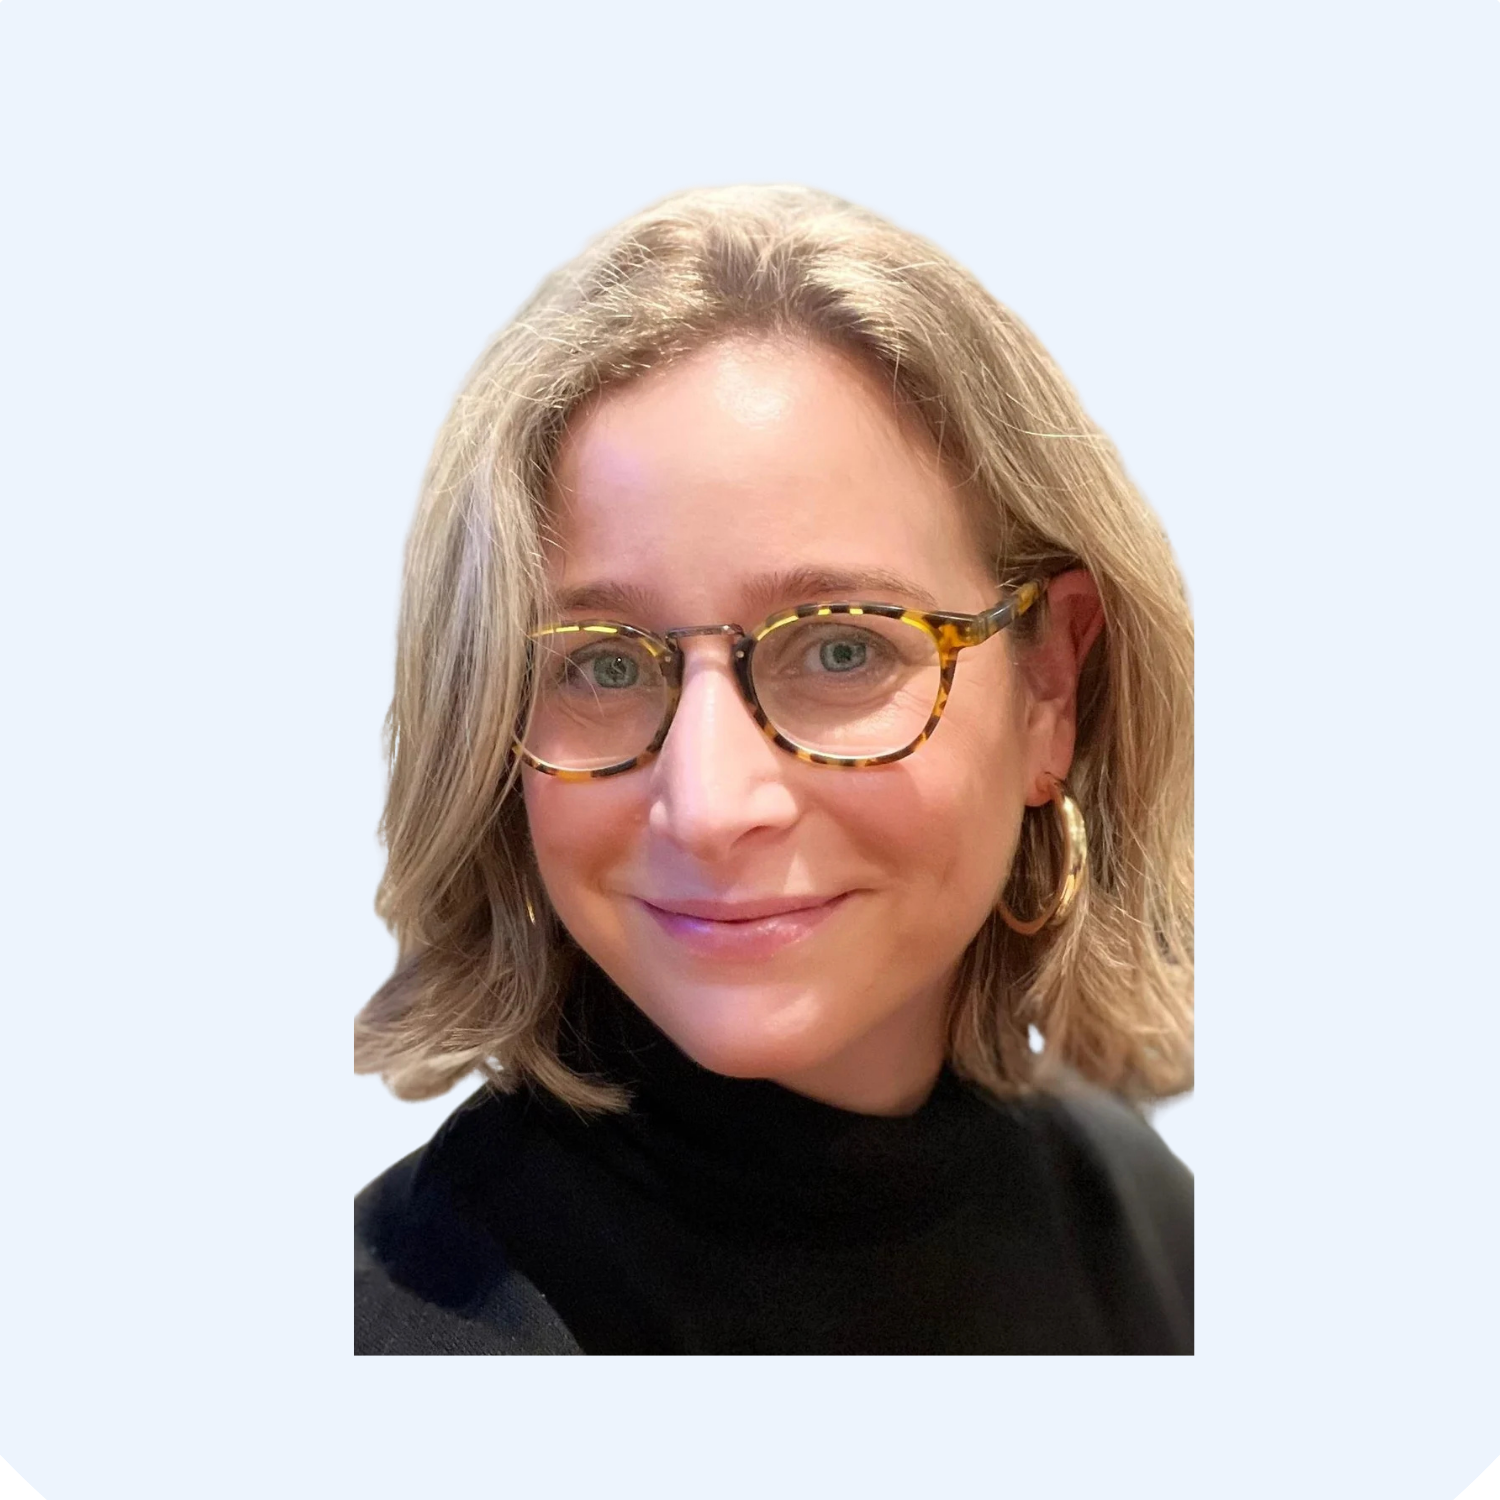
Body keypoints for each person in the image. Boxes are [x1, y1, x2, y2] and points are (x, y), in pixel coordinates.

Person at [353, 184, 1194, 1356]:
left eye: (842, 648)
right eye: (601, 665)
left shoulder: (1153, 1229)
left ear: (1048, 685)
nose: (708, 805)